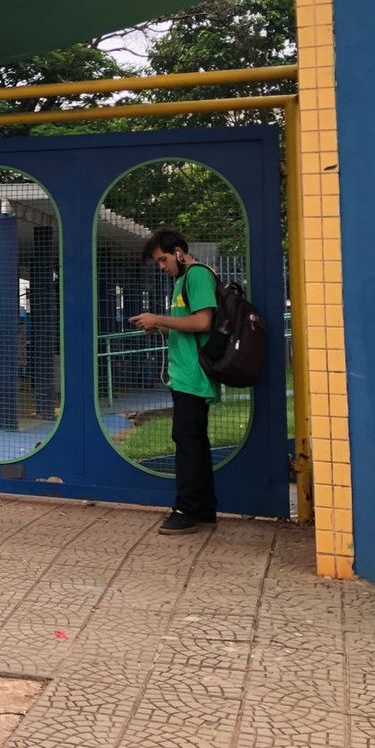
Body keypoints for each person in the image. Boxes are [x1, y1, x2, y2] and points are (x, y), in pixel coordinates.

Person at [130, 228, 219, 535]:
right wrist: (158, 327)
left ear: (179, 252)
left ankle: (186, 510)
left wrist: (159, 319)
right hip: (183, 374)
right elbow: (186, 325)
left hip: (194, 376)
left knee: (187, 444)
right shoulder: (181, 280)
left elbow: (203, 321)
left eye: (163, 259)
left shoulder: (197, 275)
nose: (161, 266)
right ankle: (205, 509)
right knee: (193, 442)